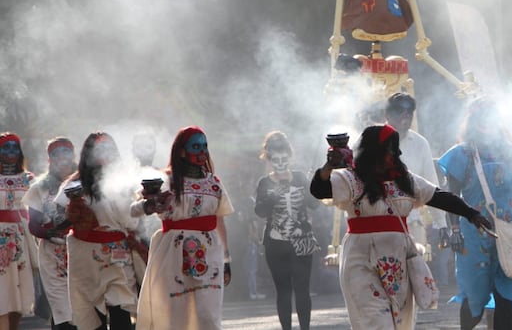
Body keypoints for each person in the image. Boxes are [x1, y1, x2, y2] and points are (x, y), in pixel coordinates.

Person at [309, 124, 493, 330]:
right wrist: (328, 166)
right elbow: (319, 189)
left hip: (397, 264)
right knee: (376, 322)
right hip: (360, 263)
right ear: (375, 152)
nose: (398, 153)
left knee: (397, 321)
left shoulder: (405, 180)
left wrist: (472, 214)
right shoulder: (350, 178)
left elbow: (439, 196)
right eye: (391, 148)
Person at [437, 97, 512, 330]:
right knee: (474, 297)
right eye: (480, 117)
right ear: (472, 121)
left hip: (507, 232)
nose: (486, 122)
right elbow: (451, 197)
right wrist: (454, 229)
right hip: (473, 232)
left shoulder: (511, 153)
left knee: (505, 297)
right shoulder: (461, 154)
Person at [133, 126, 233, 330]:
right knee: (176, 315)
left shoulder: (214, 183)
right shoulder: (165, 180)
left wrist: (226, 259)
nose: (202, 152)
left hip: (209, 252)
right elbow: (134, 210)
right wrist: (151, 204)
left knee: (208, 316)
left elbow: (219, 220)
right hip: (173, 253)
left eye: (205, 146)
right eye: (196, 146)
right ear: (181, 151)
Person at [54, 132, 139, 330]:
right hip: (85, 257)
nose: (106, 154)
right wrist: (73, 214)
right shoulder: (73, 185)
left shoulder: (125, 184)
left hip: (118, 257)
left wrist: (149, 206)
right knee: (92, 318)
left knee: (122, 313)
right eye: (100, 149)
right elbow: (56, 222)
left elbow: (134, 220)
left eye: (110, 149)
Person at [254, 131, 320, 330]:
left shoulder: (300, 178)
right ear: (269, 159)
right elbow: (260, 211)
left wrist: (311, 186)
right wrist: (271, 197)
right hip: (276, 244)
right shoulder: (264, 183)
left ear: (290, 157)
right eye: (276, 160)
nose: (281, 164)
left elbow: (314, 204)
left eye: (284, 159)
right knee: (283, 290)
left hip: (301, 241)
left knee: (302, 289)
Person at [23, 137, 78, 330]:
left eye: (66, 152)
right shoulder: (40, 188)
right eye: (56, 153)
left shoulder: (86, 183)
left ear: (74, 155)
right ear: (50, 159)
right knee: (61, 309)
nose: (62, 157)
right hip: (53, 256)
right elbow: (34, 224)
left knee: (86, 310)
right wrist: (51, 232)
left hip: (83, 252)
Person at [384, 93, 448, 258]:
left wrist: (441, 224)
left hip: (412, 223)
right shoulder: (371, 140)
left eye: (409, 111)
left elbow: (431, 185)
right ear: (387, 115)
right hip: (379, 224)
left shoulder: (421, 144)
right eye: (400, 110)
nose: (406, 114)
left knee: (415, 277)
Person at [0, 132, 35, 330]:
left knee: (17, 292)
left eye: (15, 147)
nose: (11, 152)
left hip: (21, 240)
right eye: (6, 147)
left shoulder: (29, 179)